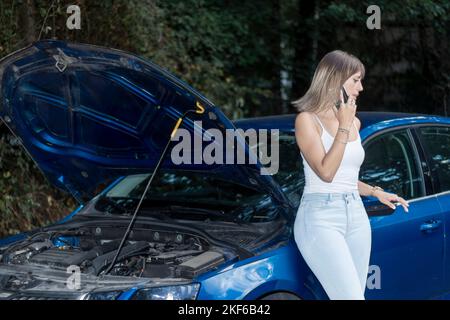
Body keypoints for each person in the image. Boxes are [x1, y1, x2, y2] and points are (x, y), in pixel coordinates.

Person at [292, 50, 409, 300]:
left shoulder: (354, 122)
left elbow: (344, 176)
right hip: (320, 218)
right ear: (335, 79)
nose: (361, 87)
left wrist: (376, 192)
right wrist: (343, 125)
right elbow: (326, 172)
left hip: (356, 215)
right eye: (356, 80)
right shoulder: (307, 121)